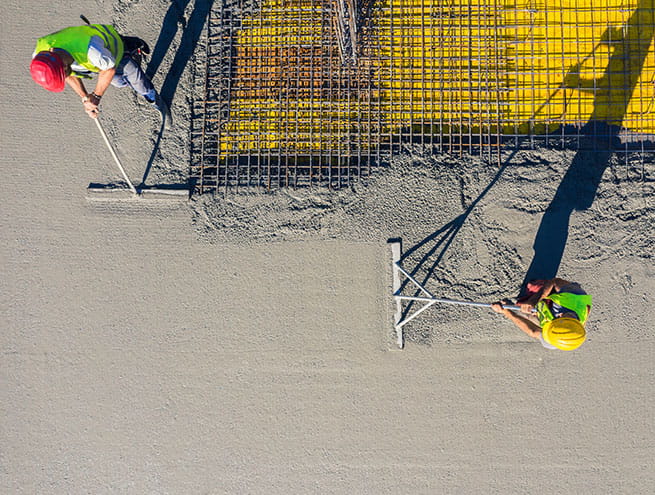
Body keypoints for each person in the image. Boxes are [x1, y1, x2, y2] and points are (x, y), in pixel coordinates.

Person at [30, 23, 171, 124]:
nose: (65, 77)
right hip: (100, 58)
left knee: (140, 84)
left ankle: (157, 102)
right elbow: (68, 75)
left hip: (113, 50)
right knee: (120, 82)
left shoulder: (91, 50)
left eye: (63, 74)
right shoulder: (41, 55)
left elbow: (108, 70)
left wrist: (96, 97)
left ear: (63, 64)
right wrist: (86, 99)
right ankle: (131, 46)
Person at [491, 278, 592, 351]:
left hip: (548, 312)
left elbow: (533, 331)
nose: (561, 315)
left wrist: (505, 311)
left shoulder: (554, 338)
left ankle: (531, 308)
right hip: (559, 295)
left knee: (524, 309)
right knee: (534, 287)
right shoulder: (574, 295)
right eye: (566, 316)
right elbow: (554, 281)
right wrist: (534, 300)